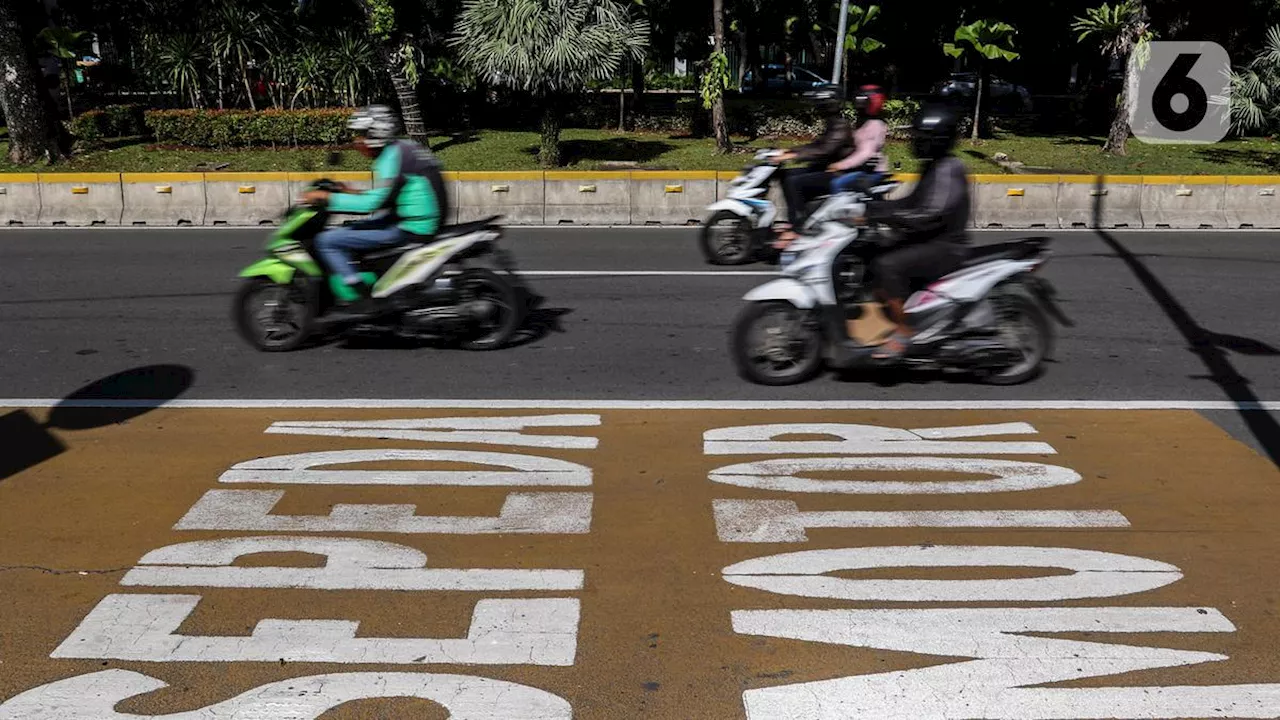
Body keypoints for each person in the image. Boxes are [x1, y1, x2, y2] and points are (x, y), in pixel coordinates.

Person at [302, 105, 444, 319]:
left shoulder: (390, 158)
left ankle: (362, 295)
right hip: (411, 217)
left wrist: (327, 198)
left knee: (327, 241)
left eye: (361, 135)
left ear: (375, 134)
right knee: (350, 229)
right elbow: (386, 194)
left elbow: (373, 203)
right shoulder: (400, 149)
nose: (357, 142)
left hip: (411, 224)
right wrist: (351, 191)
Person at [854, 103, 971, 361]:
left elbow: (929, 214)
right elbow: (909, 203)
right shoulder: (933, 166)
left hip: (945, 246)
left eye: (920, 138)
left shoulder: (948, 169)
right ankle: (884, 316)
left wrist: (885, 215)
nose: (914, 142)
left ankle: (904, 330)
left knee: (887, 264)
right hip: (930, 239)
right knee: (870, 251)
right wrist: (874, 208)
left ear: (936, 140)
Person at [773, 85, 855, 242]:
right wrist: (788, 151)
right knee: (785, 174)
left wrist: (794, 155)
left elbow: (824, 150)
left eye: (820, 104)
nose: (817, 108)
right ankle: (796, 218)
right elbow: (815, 146)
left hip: (837, 174)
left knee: (794, 181)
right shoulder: (832, 124)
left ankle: (798, 226)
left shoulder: (840, 126)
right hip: (824, 169)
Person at [827, 84, 889, 195]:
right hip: (859, 167)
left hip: (870, 172)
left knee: (837, 183)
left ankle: (841, 211)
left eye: (862, 102)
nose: (858, 105)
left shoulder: (875, 124)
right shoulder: (863, 121)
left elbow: (865, 153)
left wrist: (840, 165)